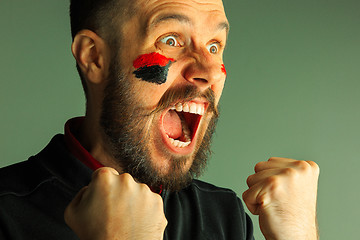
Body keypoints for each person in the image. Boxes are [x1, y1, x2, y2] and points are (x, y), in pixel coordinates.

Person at [0, 0, 320, 239]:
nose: (208, 72)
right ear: (94, 58)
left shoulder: (223, 216)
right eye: (171, 40)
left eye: (214, 45)